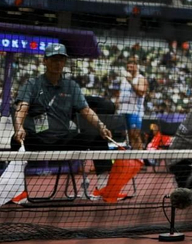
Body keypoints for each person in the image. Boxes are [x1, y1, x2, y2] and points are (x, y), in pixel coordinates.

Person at [11, 42, 133, 202]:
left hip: (63, 139)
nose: (58, 63)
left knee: (98, 137)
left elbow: (86, 110)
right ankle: (17, 191)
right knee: (15, 142)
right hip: (38, 138)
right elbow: (22, 107)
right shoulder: (33, 84)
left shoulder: (71, 86)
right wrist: (18, 128)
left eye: (61, 59)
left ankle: (103, 187)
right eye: (53, 59)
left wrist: (101, 126)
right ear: (44, 61)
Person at [114, 57, 150, 146]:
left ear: (136, 66)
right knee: (127, 137)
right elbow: (120, 94)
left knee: (135, 135)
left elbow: (141, 92)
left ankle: (139, 158)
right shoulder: (124, 80)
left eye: (132, 66)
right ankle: (131, 158)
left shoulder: (141, 78)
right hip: (123, 111)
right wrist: (116, 104)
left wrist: (131, 82)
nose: (129, 68)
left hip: (135, 111)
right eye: (128, 66)